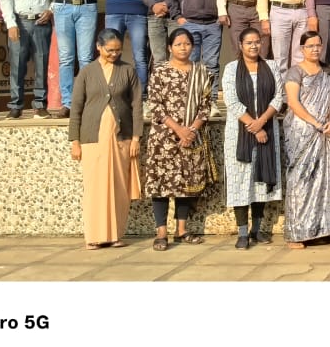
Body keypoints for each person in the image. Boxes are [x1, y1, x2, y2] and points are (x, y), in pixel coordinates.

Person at [68, 28, 142, 249]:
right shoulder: (87, 72)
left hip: (121, 138)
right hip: (92, 138)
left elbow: (137, 105)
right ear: (98, 47)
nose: (114, 54)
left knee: (119, 187)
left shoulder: (127, 71)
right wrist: (75, 141)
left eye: (118, 50)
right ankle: (94, 236)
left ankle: (115, 235)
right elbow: (76, 108)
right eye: (110, 50)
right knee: (95, 187)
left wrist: (136, 138)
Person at [144, 28, 215, 251]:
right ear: (169, 47)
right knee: (161, 184)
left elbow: (206, 106)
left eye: (187, 44)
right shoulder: (160, 71)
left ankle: (181, 230)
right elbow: (155, 105)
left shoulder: (201, 72)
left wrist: (191, 131)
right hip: (164, 138)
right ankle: (161, 233)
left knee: (186, 183)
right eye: (178, 44)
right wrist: (178, 130)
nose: (183, 48)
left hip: (191, 138)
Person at [282, 31, 330, 248]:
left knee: (322, 181)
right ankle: (296, 233)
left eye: (318, 45)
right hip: (301, 132)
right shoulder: (295, 72)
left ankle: (320, 230)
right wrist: (316, 123)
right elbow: (293, 103)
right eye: (310, 46)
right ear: (302, 49)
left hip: (324, 133)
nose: (315, 49)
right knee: (300, 181)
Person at [221, 27, 283, 250]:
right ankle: (242, 232)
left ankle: (256, 230)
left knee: (260, 179)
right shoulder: (231, 69)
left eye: (257, 41)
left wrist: (262, 121)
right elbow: (231, 100)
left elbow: (279, 97)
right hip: (240, 134)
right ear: (240, 45)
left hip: (267, 130)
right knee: (240, 180)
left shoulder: (271, 66)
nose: (254, 46)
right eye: (249, 42)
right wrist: (255, 127)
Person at [0, 0, 53, 119]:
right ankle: (16, 105)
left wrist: (50, 10)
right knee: (17, 64)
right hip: (20, 22)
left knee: (42, 63)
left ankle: (40, 104)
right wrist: (11, 24)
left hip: (41, 23)